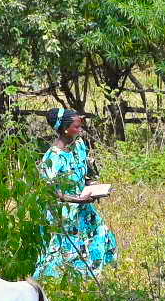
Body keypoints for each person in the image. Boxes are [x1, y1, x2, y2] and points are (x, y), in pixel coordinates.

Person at [35, 107, 118, 279]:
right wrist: (78, 199)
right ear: (65, 129)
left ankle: (90, 277)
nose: (80, 130)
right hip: (63, 212)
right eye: (76, 127)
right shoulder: (52, 158)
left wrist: (93, 185)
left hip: (81, 204)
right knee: (65, 249)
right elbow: (51, 191)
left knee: (100, 233)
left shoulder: (79, 146)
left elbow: (84, 174)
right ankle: (52, 283)